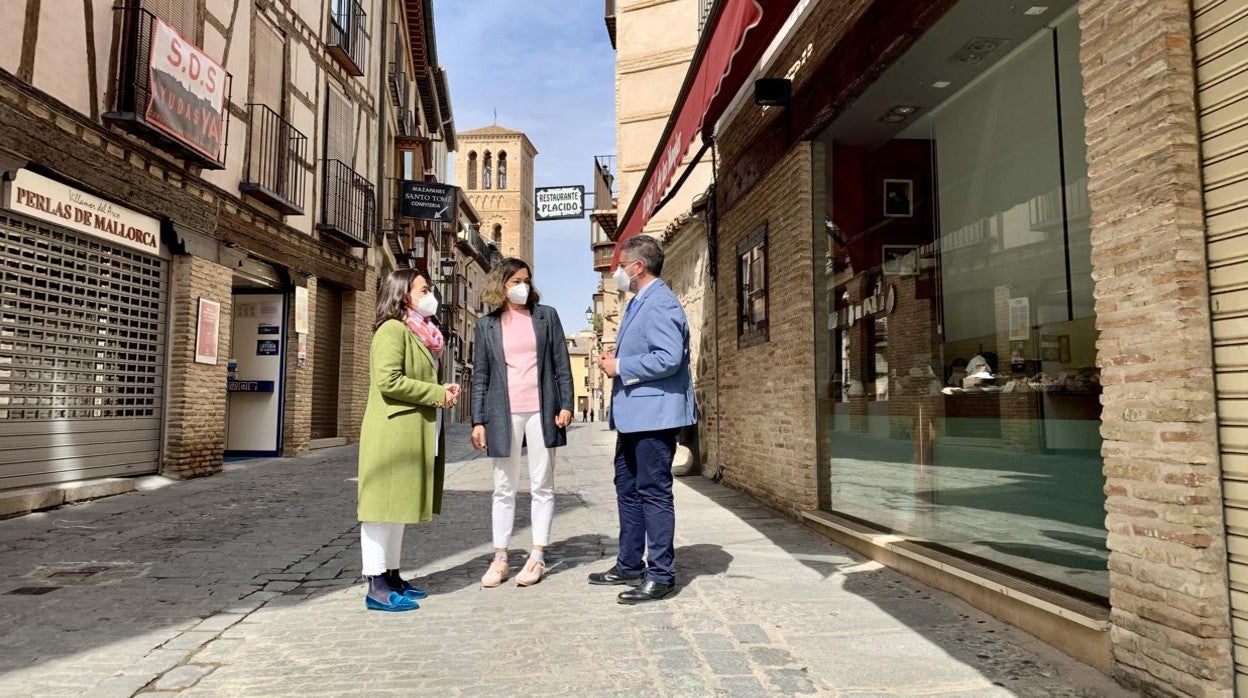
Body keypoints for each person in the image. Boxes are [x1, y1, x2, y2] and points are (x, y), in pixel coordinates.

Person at [588, 235, 695, 604]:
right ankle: (630, 563)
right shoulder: (638, 302)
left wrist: (621, 366)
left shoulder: (661, 302)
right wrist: (618, 353)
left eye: (622, 265)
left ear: (638, 267)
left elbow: (669, 358)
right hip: (635, 416)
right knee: (627, 488)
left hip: (654, 415)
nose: (617, 271)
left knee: (653, 492)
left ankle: (661, 574)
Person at [357, 268, 460, 612]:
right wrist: (436, 393)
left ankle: (392, 575)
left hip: (414, 428)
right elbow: (389, 381)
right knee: (379, 509)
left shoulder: (423, 333)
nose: (430, 294)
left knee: (398, 506)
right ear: (403, 294)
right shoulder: (391, 330)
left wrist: (442, 391)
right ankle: (375, 585)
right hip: (392, 431)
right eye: (424, 289)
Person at [471, 257, 575, 588]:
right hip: (503, 412)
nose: (523, 286)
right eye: (516, 281)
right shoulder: (486, 325)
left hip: (543, 410)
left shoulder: (546, 317)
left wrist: (567, 404)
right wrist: (478, 420)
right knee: (503, 487)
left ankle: (536, 556)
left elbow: (561, 364)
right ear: (501, 285)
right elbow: (482, 376)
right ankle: (500, 558)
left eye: (526, 280)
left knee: (542, 485)